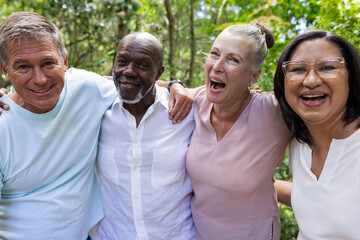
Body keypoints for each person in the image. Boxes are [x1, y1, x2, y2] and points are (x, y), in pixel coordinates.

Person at [0, 12, 190, 240]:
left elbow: (130, 80)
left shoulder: (87, 89)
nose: (39, 78)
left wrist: (175, 84)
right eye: (23, 67)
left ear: (65, 62)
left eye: (48, 63)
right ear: (5, 70)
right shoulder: (4, 124)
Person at [185, 23, 290, 239]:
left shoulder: (273, 111)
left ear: (254, 77)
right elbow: (146, 84)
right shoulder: (197, 101)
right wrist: (175, 85)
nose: (217, 66)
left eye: (233, 60)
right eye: (214, 54)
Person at [89, 32, 195, 239]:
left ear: (159, 72)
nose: (128, 71)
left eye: (142, 65)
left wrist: (176, 84)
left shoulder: (186, 111)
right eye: (122, 62)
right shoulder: (97, 106)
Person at [273, 30, 360, 239]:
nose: (311, 80)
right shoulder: (298, 138)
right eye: (298, 69)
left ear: (351, 77)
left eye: (328, 67)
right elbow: (317, 197)